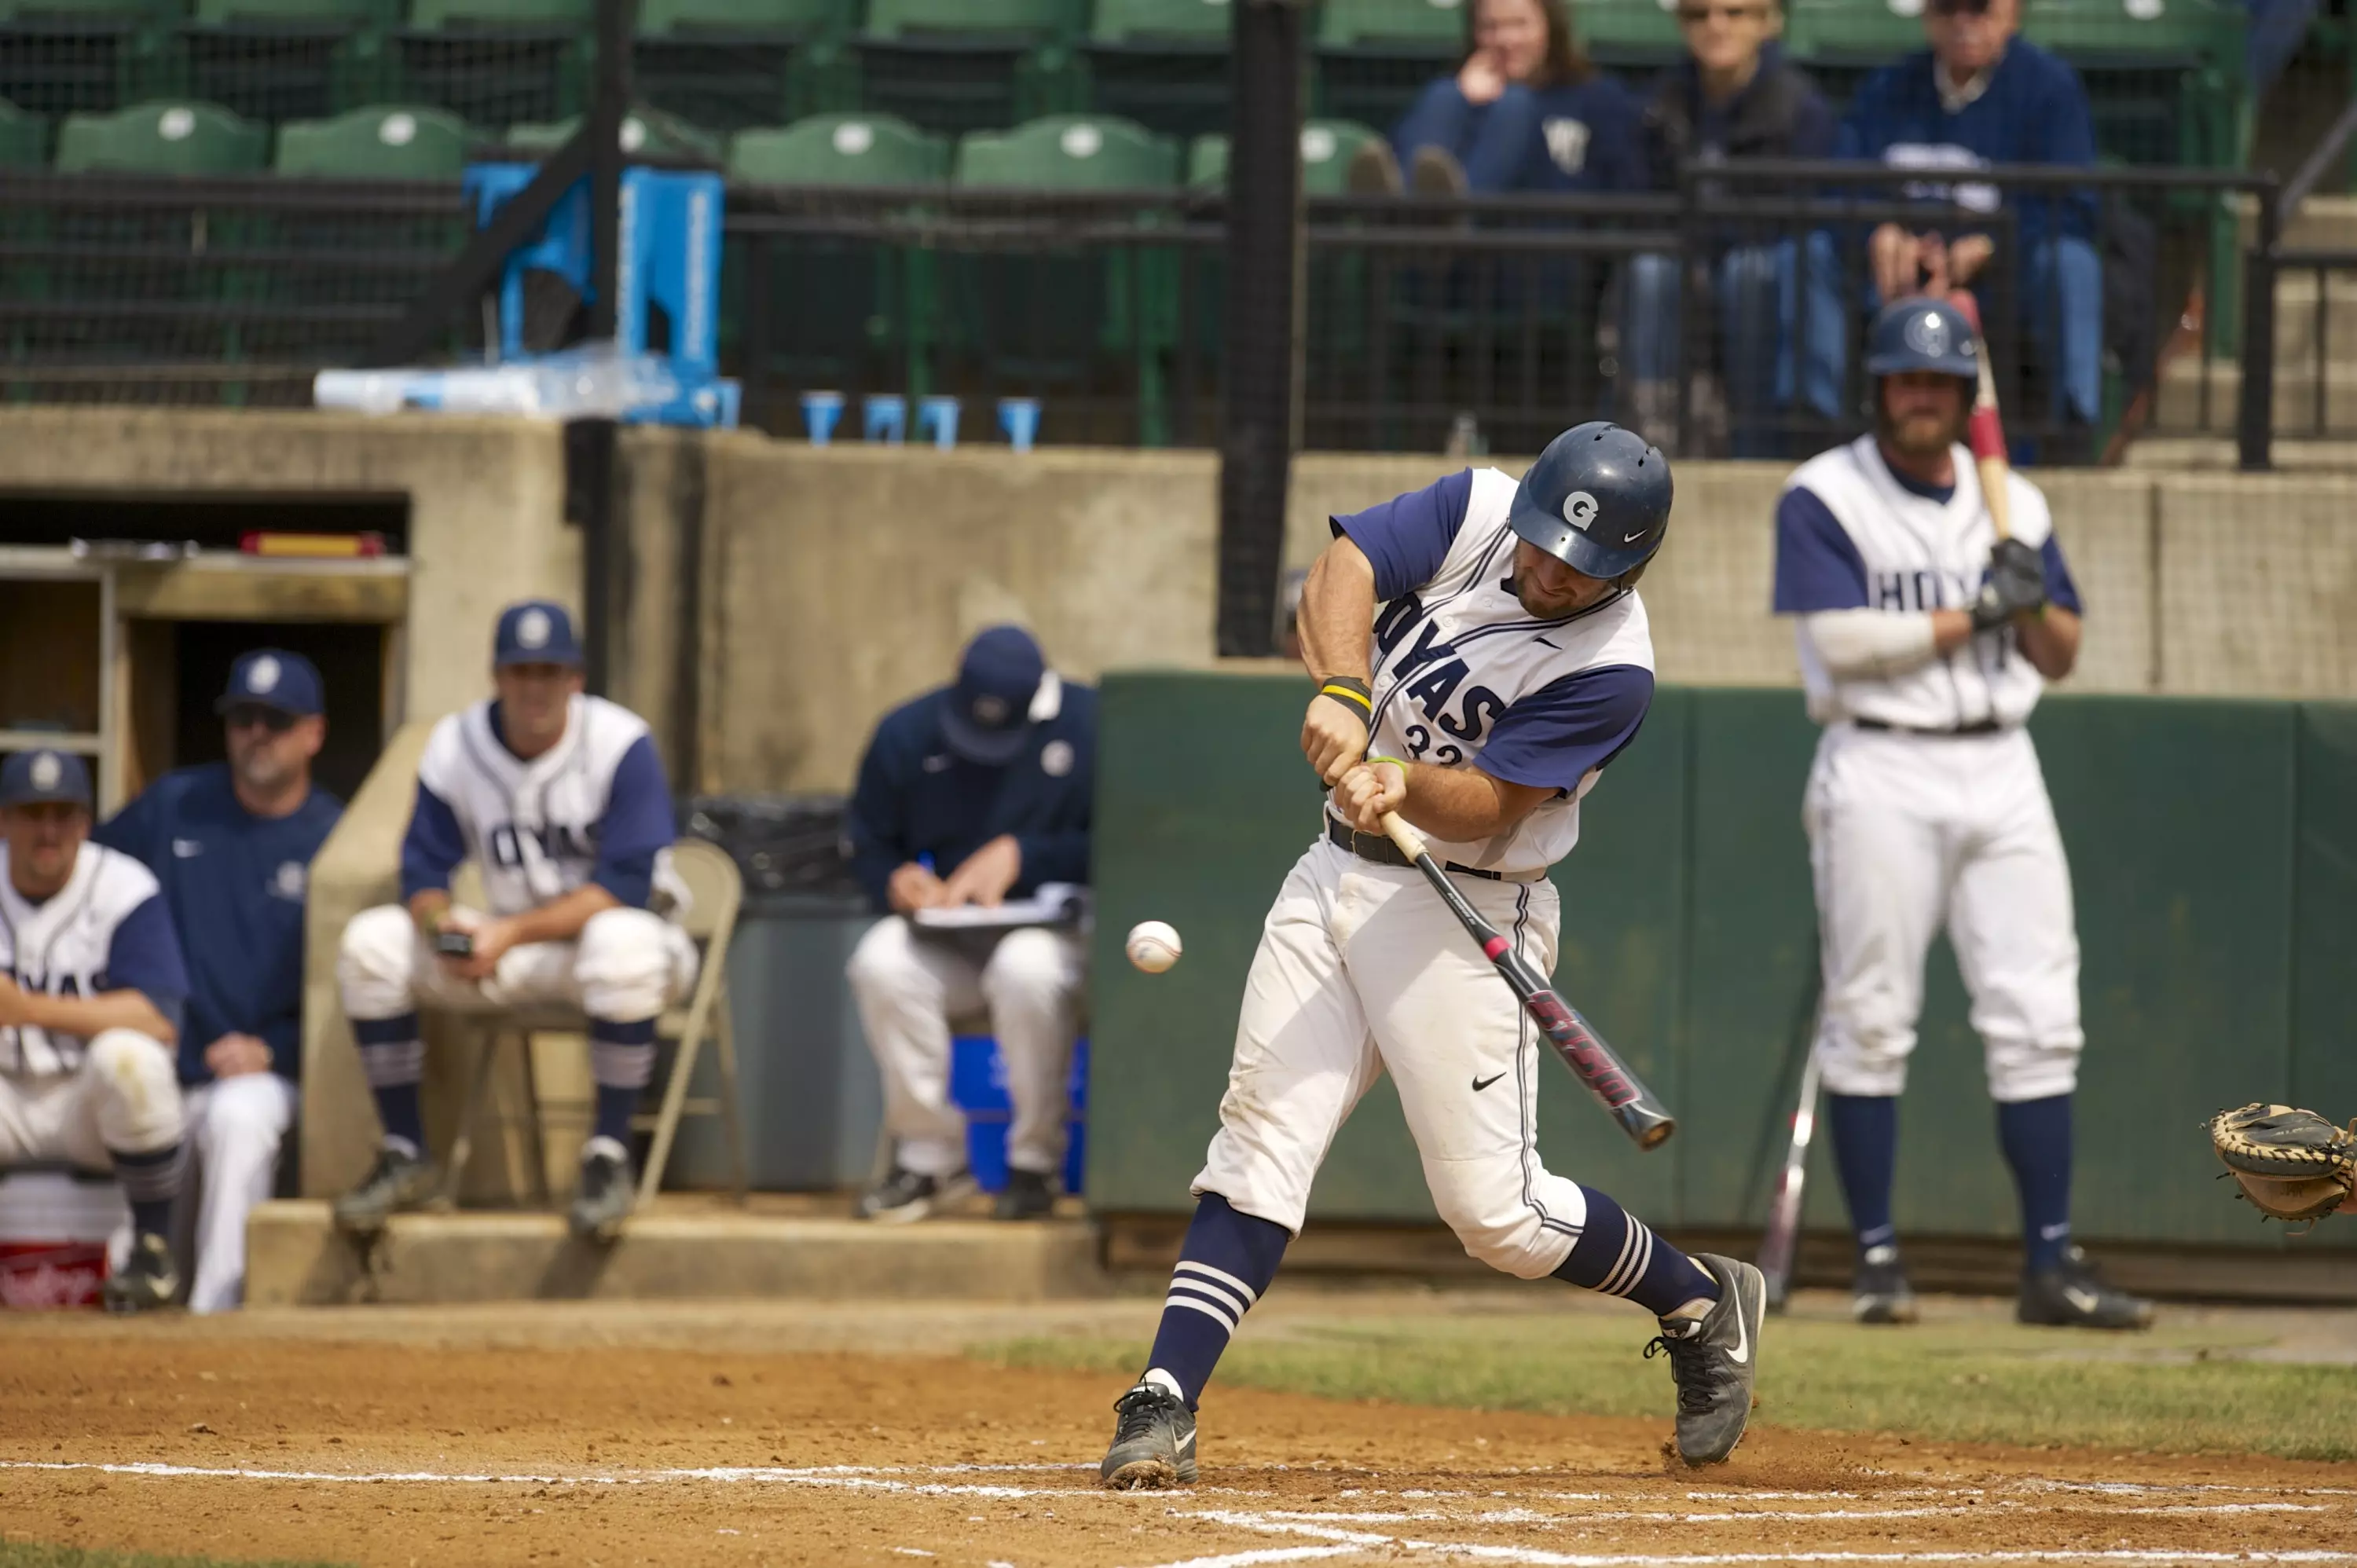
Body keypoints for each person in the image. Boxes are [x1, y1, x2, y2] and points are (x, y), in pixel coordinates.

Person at [1097, 424, 1765, 1491]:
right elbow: (1346, 567)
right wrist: (1346, 694)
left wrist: (1403, 781)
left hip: (1462, 913)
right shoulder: (1478, 508)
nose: (1545, 571)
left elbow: (1497, 798)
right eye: (1543, 544)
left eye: (1577, 566)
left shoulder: (1613, 673)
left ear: (1631, 566)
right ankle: (1164, 1399)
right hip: (1332, 877)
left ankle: (1697, 1299)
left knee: (1498, 1217)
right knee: (1261, 1136)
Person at [1769, 297, 2150, 1331]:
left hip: (2002, 762)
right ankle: (1879, 1261)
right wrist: (1969, 611)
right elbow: (1843, 643)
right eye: (1906, 380)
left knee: (2038, 1017)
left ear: (1965, 394)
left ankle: (2049, 1262)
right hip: (1881, 764)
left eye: (1941, 382)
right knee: (1872, 1016)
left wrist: (2026, 601)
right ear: (1879, 388)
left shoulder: (2012, 501)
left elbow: (2060, 654)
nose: (1923, 398)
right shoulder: (1825, 494)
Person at [332, 601, 695, 1244]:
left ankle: (609, 1156)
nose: (535, 687)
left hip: (632, 949)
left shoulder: (620, 742)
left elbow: (626, 886)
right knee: (372, 943)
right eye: (521, 670)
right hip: (518, 948)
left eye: (550, 671)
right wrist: (448, 934)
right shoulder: (456, 743)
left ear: (575, 678)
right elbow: (422, 874)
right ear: (497, 677)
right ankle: (405, 1149)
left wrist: (507, 934)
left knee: (621, 942)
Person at [95, 650, 342, 1313]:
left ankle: (218, 1315)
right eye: (242, 718)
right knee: (125, 1083)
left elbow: (340, 1004)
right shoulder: (175, 806)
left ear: (314, 733)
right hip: (171, 1060)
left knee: (237, 1119)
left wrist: (276, 1050)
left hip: (264, 1070)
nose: (256, 732)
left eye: (276, 720)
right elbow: (84, 883)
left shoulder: (333, 837)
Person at [845, 625, 1095, 1225]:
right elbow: (864, 842)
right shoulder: (907, 732)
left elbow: (1133, 842)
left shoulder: (1092, 724)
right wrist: (897, 880)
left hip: (1065, 937)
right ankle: (931, 1159)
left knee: (1024, 968)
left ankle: (1033, 1164)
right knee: (880, 959)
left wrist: (1024, 856)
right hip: (950, 937)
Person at [1837, 0, 2102, 438]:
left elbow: (2076, 206)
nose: (1963, 22)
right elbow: (1840, 187)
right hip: (1898, 275)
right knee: (1808, 258)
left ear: (2012, 14)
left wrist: (1993, 244)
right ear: (1926, 16)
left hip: (2007, 275)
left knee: (2071, 264)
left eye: (1979, 8)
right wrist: (1877, 231)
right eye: (1947, 8)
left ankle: (2072, 433)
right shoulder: (1888, 86)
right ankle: (1806, 429)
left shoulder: (2049, 87)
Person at [0, 749, 190, 1313]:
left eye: (64, 813)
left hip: (85, 1106)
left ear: (86, 821)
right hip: (7, 1099)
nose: (49, 829)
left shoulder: (122, 887)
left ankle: (154, 1252)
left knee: (129, 1057)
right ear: (4, 819)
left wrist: (29, 1008)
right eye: (33, 813)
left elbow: (158, 1019)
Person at [1623, 0, 1841, 453]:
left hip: (1759, 266)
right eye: (1698, 15)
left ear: (1768, 23)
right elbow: (1639, 202)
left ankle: (1755, 440)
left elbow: (1798, 216)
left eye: (1734, 12)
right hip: (1685, 260)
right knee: (1650, 271)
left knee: (1751, 271)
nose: (1716, 26)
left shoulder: (1801, 107)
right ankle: (1649, 445)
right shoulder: (1661, 102)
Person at [1356, 0, 1645, 197]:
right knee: (1444, 94)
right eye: (1490, 27)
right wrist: (1466, 100)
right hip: (1460, 270)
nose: (1506, 40)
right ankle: (1412, 226)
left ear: (1551, 28)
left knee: (1515, 103)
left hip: (1544, 250)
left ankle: (1451, 225)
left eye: (1519, 24)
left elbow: (1627, 187)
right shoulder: (1455, 96)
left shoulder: (1595, 95)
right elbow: (1403, 161)